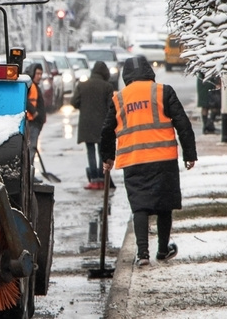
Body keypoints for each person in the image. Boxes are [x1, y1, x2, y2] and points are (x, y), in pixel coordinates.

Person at [100, 55, 197, 267]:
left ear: (126, 76)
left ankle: (142, 253)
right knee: (165, 205)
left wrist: (107, 157)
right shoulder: (163, 91)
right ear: (148, 72)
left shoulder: (120, 99)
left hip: (134, 160)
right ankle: (162, 250)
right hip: (163, 159)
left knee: (140, 206)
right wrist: (190, 154)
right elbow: (183, 123)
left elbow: (107, 130)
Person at [71, 61, 115, 190]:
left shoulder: (82, 85)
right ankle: (102, 179)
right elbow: (110, 107)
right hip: (102, 124)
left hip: (87, 124)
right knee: (102, 152)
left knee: (90, 151)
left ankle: (94, 180)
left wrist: (84, 107)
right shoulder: (107, 87)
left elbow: (74, 102)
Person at [25, 63, 47, 168]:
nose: (39, 76)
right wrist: (34, 112)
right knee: (31, 149)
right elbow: (25, 101)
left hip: (36, 123)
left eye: (41, 74)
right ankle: (30, 174)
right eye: (37, 73)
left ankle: (31, 173)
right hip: (32, 122)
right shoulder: (30, 86)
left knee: (32, 148)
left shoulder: (35, 87)